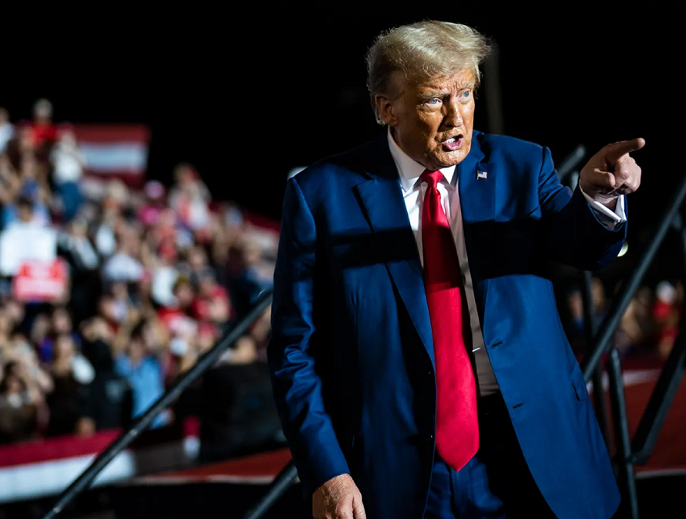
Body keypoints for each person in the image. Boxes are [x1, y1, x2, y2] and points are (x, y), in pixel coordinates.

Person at [268, 20, 644, 519]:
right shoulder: (320, 197)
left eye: (465, 93)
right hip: (399, 468)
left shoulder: (522, 166)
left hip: (534, 449)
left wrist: (597, 197)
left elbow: (585, 247)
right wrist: (327, 471)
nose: (456, 119)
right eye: (432, 100)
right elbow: (294, 350)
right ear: (385, 108)